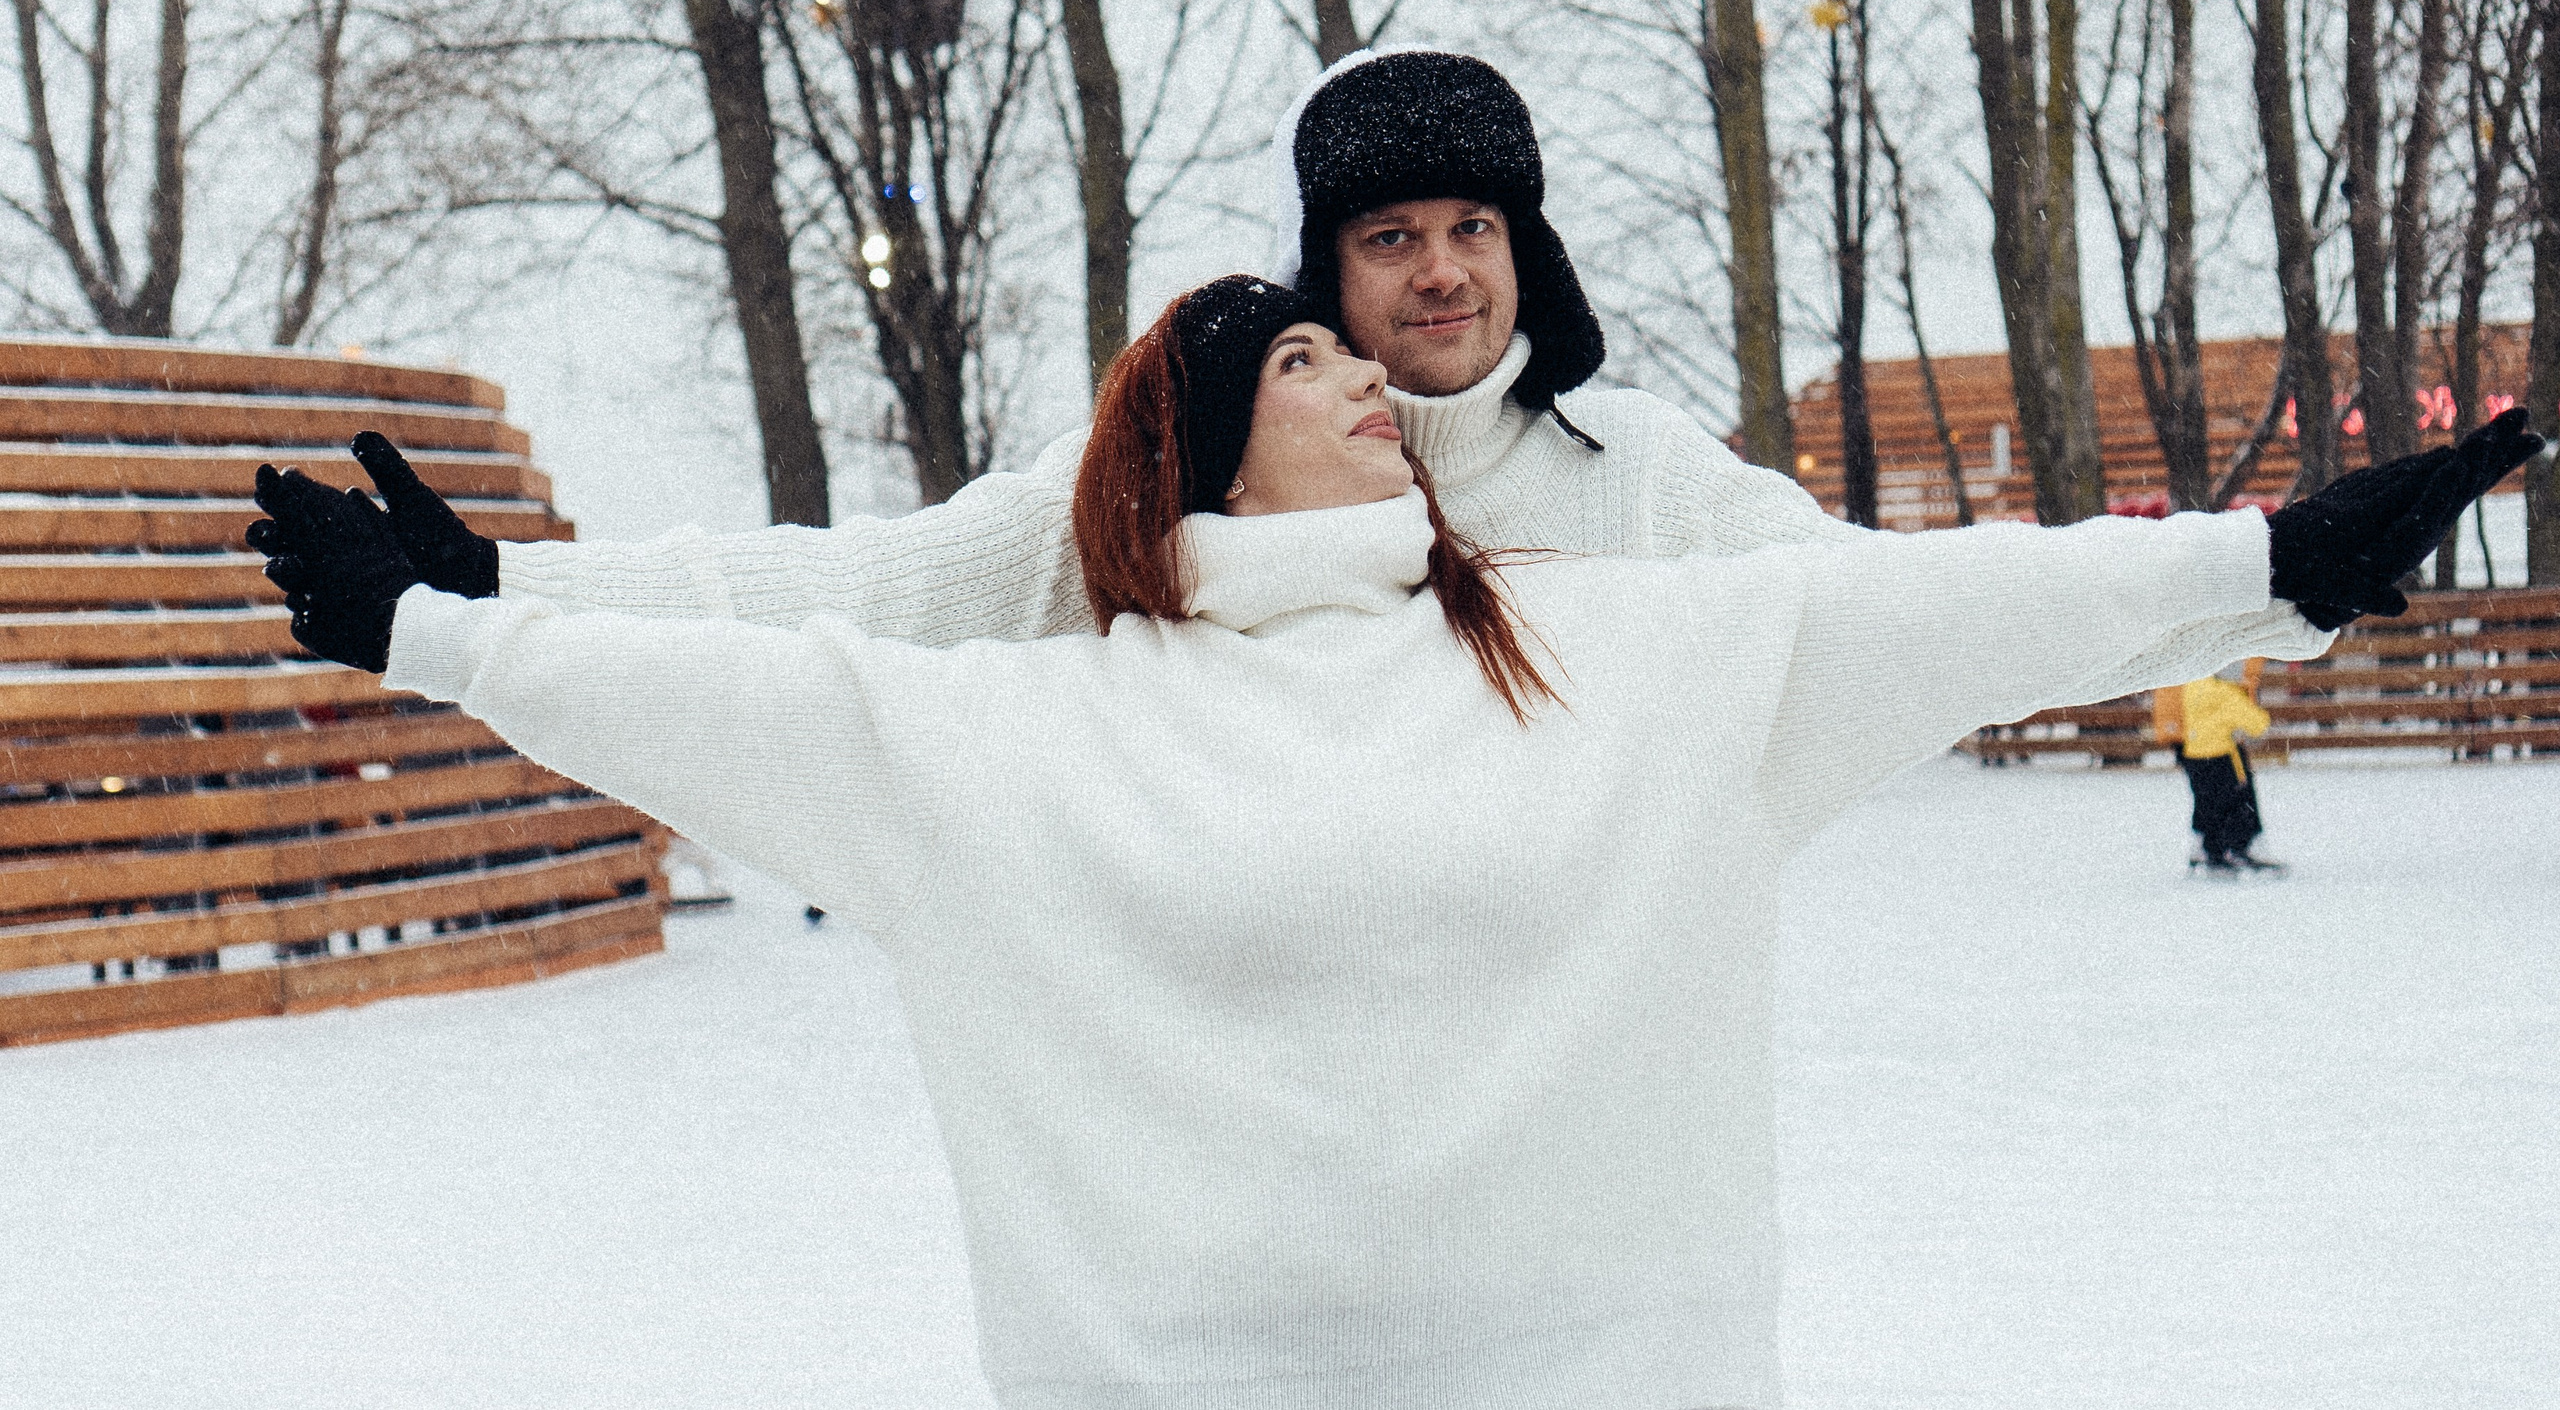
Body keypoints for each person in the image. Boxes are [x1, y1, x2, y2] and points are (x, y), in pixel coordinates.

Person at [245, 277, 2539, 1410]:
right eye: (1322, 370)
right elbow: (768, 662)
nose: (1384, 382)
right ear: (1208, 455)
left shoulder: (1626, 656)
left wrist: (2272, 563)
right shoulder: (1032, 727)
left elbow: (1934, 592)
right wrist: (460, 627)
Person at [312, 48, 2328, 703]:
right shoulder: (1201, 478)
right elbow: (865, 588)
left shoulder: (1632, 472)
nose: (1439, 271)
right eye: (1387, 238)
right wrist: (513, 590)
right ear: (1327, 272)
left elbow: (1900, 614)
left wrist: (2272, 568)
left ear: (1518, 243)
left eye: (1471, 226)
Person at [2179, 667, 2281, 875]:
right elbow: (2258, 724)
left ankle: (2210, 849)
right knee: (2237, 804)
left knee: (2207, 804)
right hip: (2222, 757)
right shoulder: (2226, 693)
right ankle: (2238, 848)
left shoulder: (2193, 686)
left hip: (2195, 756)